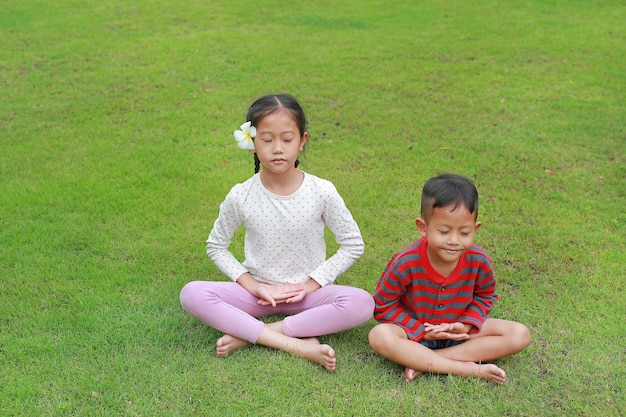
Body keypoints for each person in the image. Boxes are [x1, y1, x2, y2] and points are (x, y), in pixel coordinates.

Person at [180, 93, 374, 371]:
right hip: (257, 295)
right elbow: (216, 246)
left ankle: (255, 335)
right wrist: (253, 285)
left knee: (362, 303)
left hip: (307, 297)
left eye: (287, 139)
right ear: (252, 144)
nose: (278, 149)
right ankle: (296, 344)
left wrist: (311, 285)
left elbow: (353, 244)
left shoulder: (321, 191)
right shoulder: (241, 195)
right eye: (267, 140)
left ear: (302, 140)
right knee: (192, 294)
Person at [368, 173, 530, 384]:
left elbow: (485, 295)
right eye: (443, 231)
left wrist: (465, 325)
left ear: (476, 228)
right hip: (414, 337)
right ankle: (466, 369)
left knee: (519, 334)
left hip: (459, 336)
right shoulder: (405, 262)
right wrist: (421, 332)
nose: (454, 241)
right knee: (379, 336)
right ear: (422, 227)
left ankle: (429, 362)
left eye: (464, 233)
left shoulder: (479, 260)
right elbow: (382, 304)